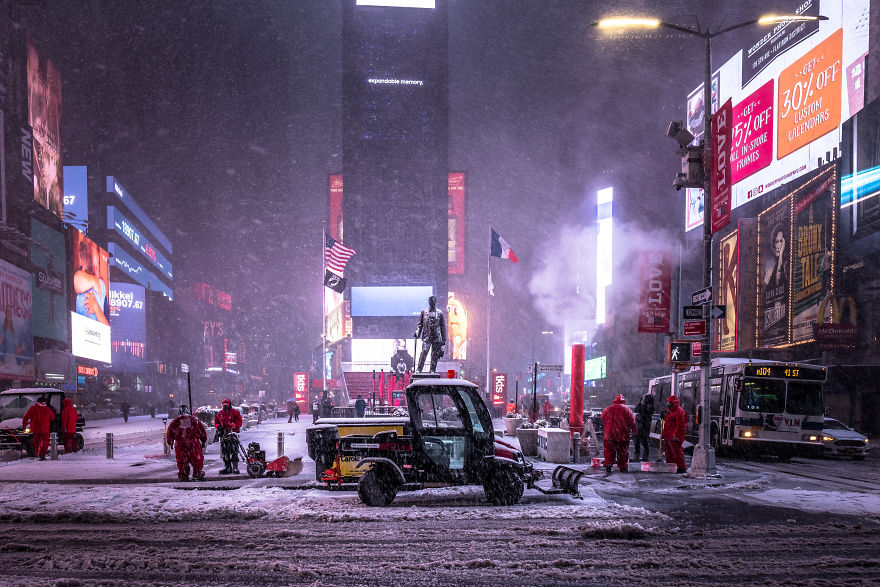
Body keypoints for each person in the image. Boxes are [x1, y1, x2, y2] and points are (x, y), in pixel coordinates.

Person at [167, 404, 207, 481]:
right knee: (196, 460)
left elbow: (170, 433)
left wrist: (170, 442)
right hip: (193, 444)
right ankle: (197, 473)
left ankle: (183, 475)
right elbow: (202, 431)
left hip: (180, 444)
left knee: (182, 461)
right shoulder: (195, 420)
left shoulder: (175, 422)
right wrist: (203, 440)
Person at [73, 239, 109, 325]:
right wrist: (93, 281)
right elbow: (78, 282)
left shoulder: (101, 285)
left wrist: (96, 308)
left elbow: (107, 327)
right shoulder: (77, 276)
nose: (96, 265)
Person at [601, 393, 637, 474]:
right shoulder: (627, 410)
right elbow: (632, 422)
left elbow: (602, 418)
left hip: (609, 435)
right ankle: (623, 467)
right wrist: (635, 431)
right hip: (622, 435)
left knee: (609, 451)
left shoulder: (608, 409)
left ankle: (608, 465)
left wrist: (608, 426)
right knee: (623, 452)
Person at [414, 295, 446, 373]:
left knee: (435, 354)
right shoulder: (424, 312)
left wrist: (443, 340)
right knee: (424, 352)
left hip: (437, 337)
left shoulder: (440, 313)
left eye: (433, 301)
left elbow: (443, 327)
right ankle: (419, 369)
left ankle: (432, 370)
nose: (432, 302)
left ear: (435, 302)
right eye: (430, 301)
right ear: (429, 302)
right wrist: (417, 332)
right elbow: (420, 324)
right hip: (427, 336)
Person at [214, 398, 243, 474]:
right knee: (225, 452)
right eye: (224, 405)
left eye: (226, 405)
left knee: (234, 451)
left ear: (229, 405)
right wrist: (218, 426)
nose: (225, 407)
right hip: (224, 435)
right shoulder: (220, 414)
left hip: (233, 434)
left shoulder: (235, 413)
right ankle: (228, 467)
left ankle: (235, 467)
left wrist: (233, 426)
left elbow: (239, 422)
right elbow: (216, 422)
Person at [662, 395, 688, 474]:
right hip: (669, 437)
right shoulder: (671, 411)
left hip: (674, 437)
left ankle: (681, 467)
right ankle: (671, 466)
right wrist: (664, 434)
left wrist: (677, 436)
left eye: (669, 402)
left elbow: (680, 426)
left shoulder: (679, 412)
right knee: (669, 453)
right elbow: (667, 424)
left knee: (677, 452)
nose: (668, 404)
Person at [633, 393, 655, 462]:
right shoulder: (641, 405)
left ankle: (645, 456)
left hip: (645, 426)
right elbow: (636, 409)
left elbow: (644, 413)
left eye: (644, 398)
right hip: (639, 425)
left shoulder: (649, 406)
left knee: (644, 441)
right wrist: (641, 403)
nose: (643, 398)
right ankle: (637, 456)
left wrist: (642, 405)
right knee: (637, 441)